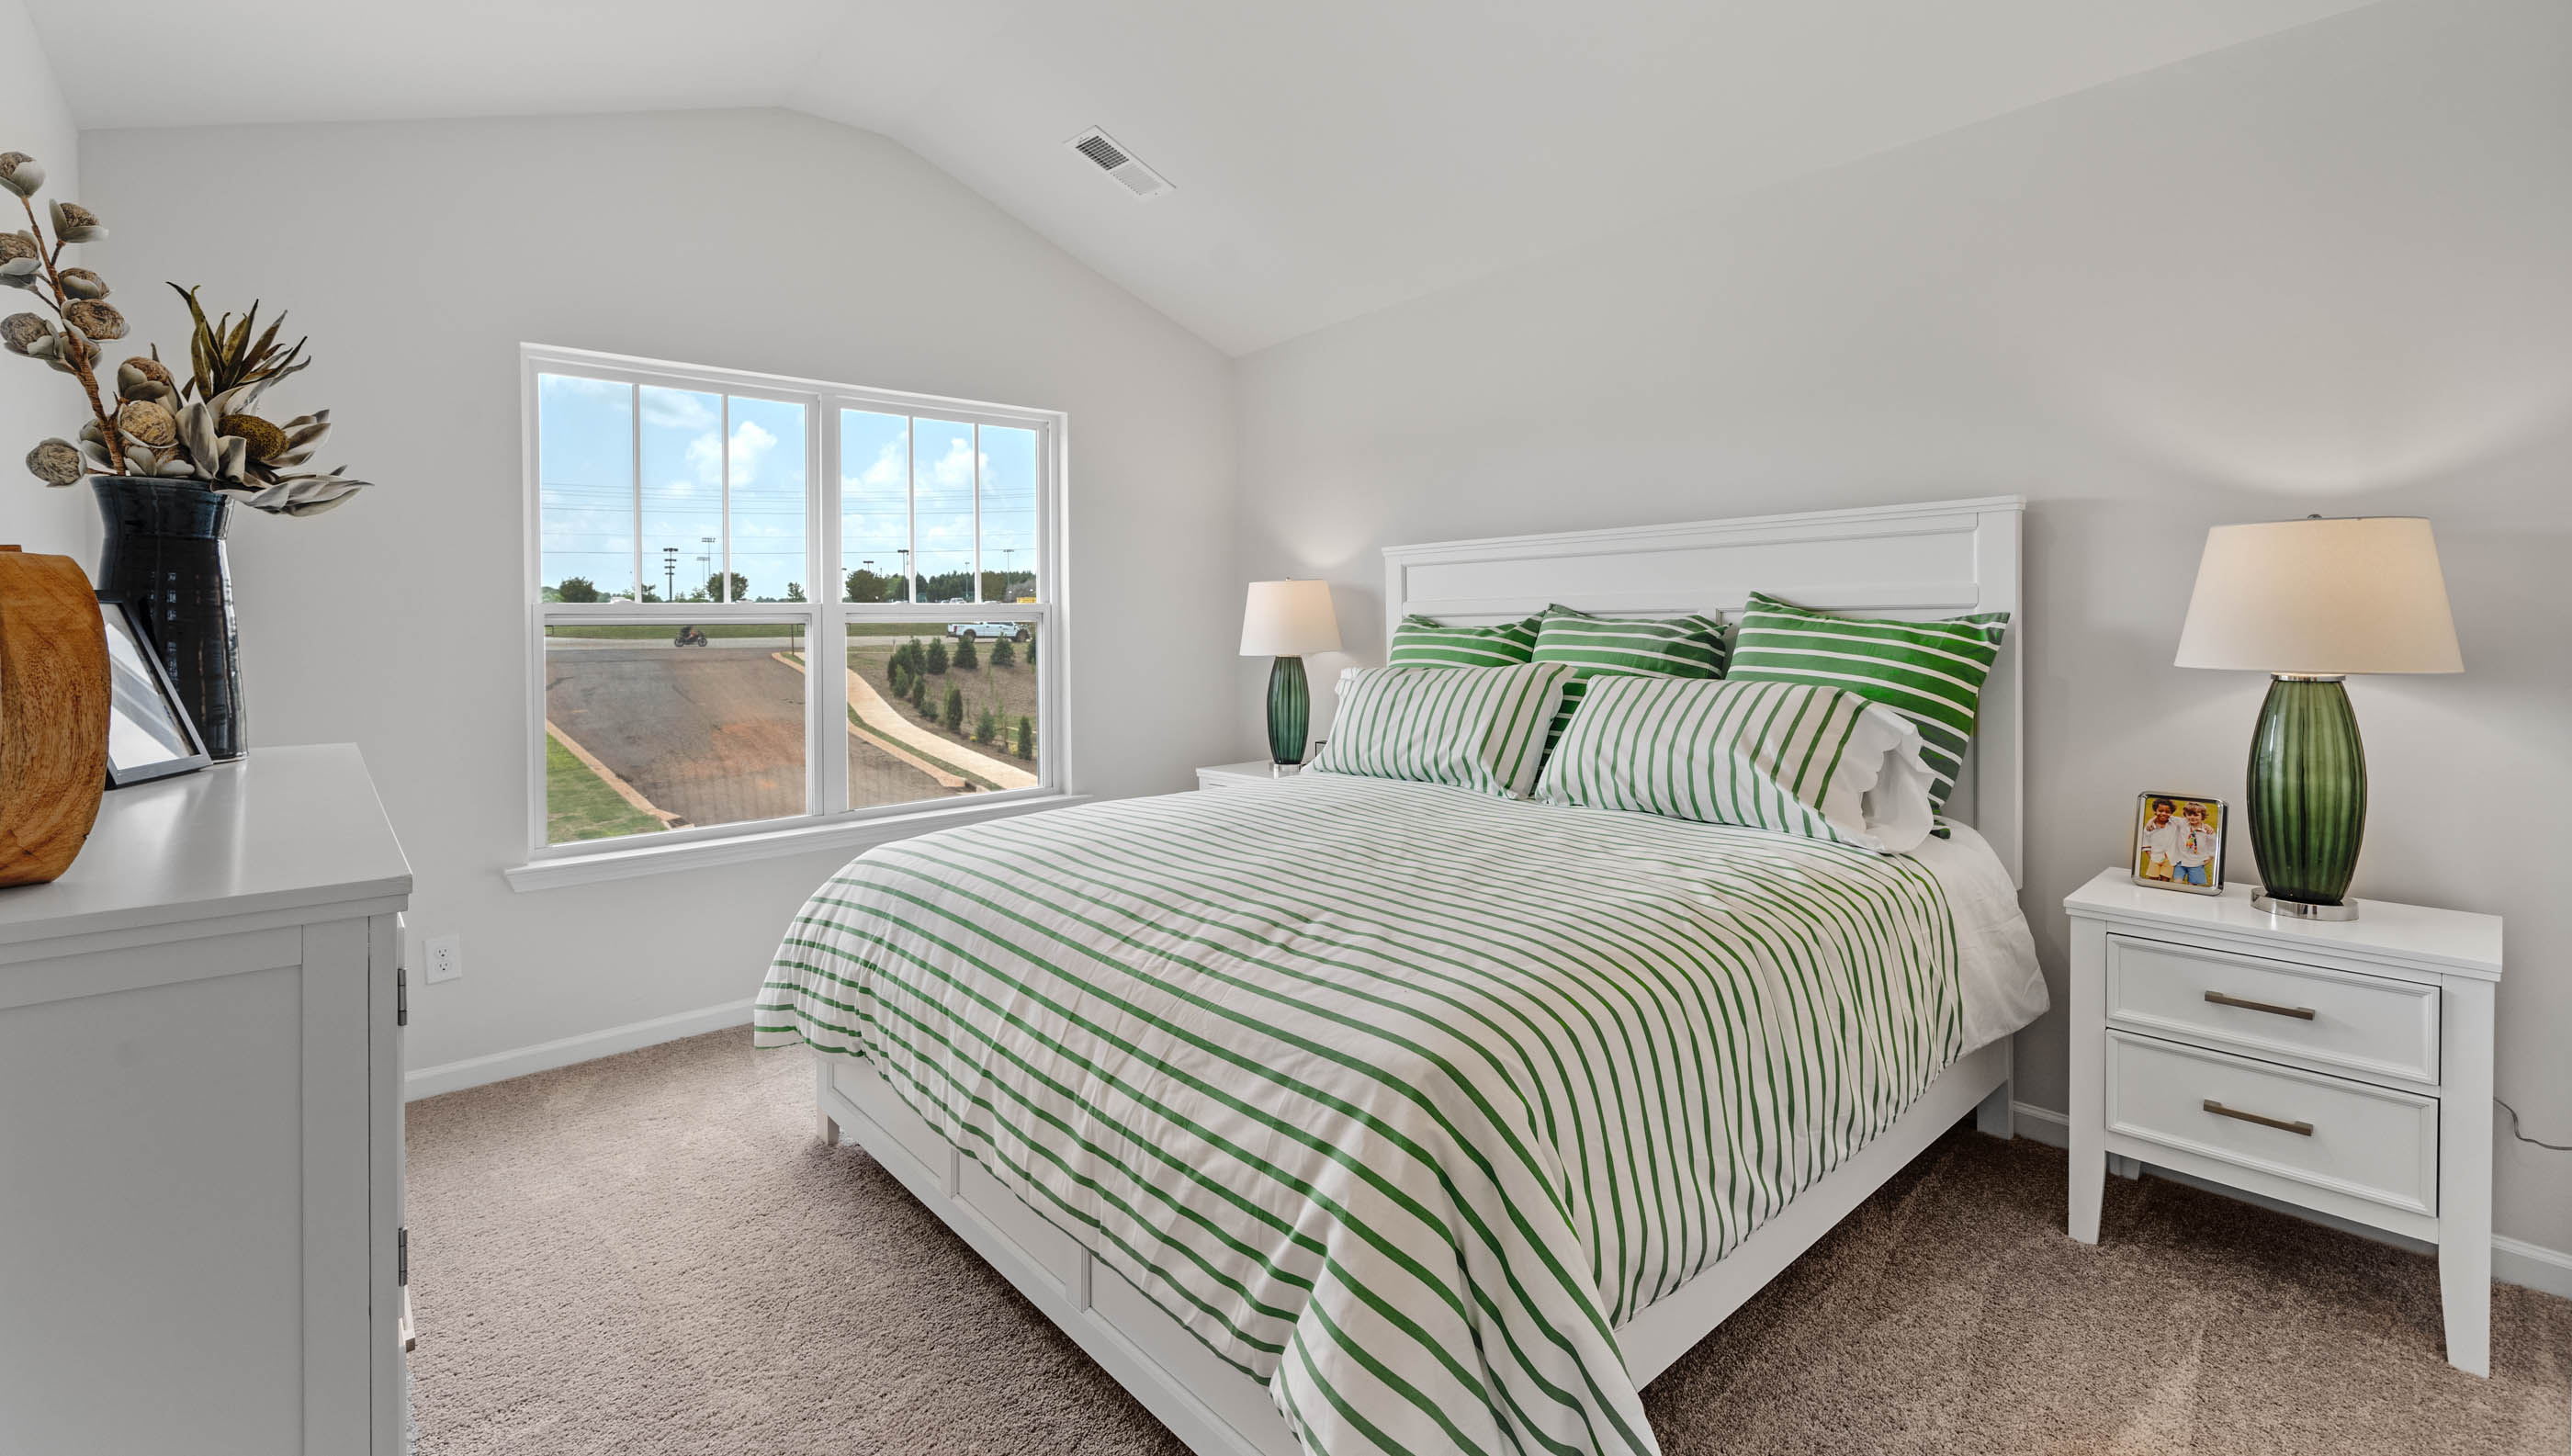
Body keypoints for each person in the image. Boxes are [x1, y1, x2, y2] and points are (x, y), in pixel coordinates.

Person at [2172, 800, 2219, 887]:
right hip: (2181, 861)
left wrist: (2209, 859)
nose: (2192, 817)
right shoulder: (2183, 824)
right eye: (2189, 815)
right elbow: (2168, 818)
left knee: (2193, 886)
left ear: (2202, 816)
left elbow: (2213, 846)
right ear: (2185, 815)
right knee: (2177, 883)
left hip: (2197, 862)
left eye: (2196, 815)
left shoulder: (2208, 831)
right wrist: (2151, 821)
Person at [2138, 798, 2181, 881]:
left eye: (2167, 812)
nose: (2164, 813)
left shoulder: (2174, 823)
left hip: (2170, 858)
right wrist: (2152, 857)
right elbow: (2146, 845)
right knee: (2152, 879)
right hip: (2155, 857)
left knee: (2165, 880)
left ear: (2171, 813)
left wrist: (2206, 826)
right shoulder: (2149, 827)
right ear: (2155, 811)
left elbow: (2188, 821)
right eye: (2160, 811)